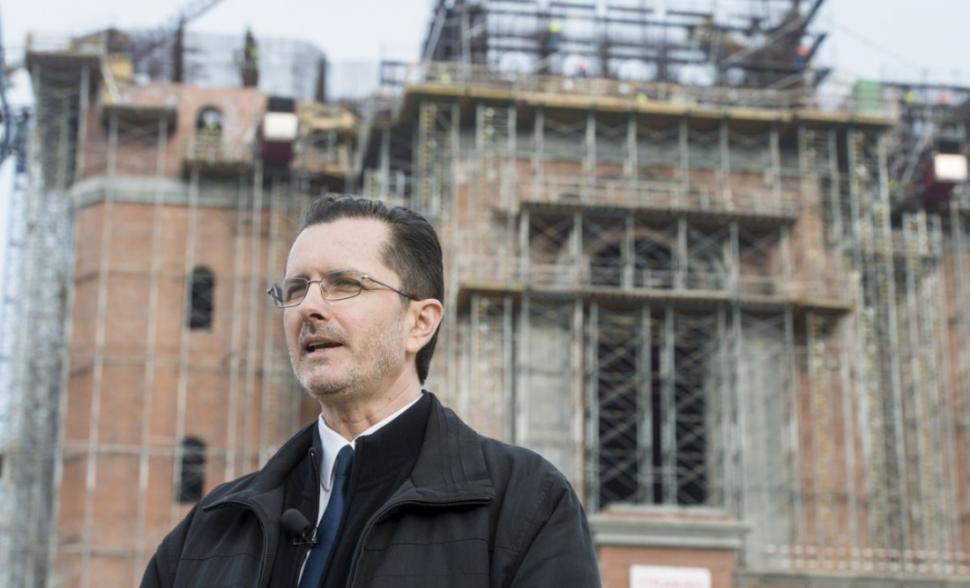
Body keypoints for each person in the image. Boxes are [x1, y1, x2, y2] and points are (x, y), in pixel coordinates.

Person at [141, 196, 601, 587]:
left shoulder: (525, 504)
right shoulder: (210, 529)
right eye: (296, 288)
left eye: (345, 284)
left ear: (419, 323)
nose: (310, 307)